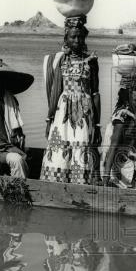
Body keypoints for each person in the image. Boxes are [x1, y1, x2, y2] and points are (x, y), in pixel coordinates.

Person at [40, 16, 101, 184]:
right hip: (62, 113)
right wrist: (49, 119)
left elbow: (95, 94)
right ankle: (57, 185)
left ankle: (80, 185)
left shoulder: (92, 61)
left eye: (80, 36)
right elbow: (55, 91)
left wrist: (97, 125)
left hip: (84, 113)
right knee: (60, 149)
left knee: (82, 146)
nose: (77, 40)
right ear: (66, 38)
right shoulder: (60, 61)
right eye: (73, 37)